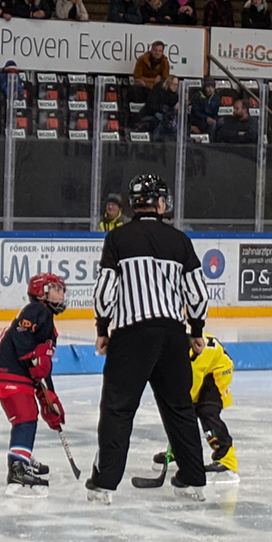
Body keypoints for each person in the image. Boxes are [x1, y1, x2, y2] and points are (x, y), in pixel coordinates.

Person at [87, 174, 210, 504]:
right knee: (180, 408)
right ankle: (193, 479)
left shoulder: (118, 238)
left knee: (117, 408)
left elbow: (104, 291)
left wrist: (103, 329)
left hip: (132, 334)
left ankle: (105, 483)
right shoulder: (180, 241)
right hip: (172, 336)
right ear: (160, 203)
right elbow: (198, 293)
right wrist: (196, 330)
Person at [0, 272, 67, 496]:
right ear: (41, 292)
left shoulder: (43, 319)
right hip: (10, 373)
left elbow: (39, 370)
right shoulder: (37, 310)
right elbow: (22, 339)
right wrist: (34, 357)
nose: (61, 294)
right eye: (55, 289)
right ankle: (18, 467)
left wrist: (49, 399)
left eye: (62, 290)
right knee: (26, 417)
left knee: (27, 416)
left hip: (9, 373)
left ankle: (23, 457)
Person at [151, 332, 239, 477]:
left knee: (206, 411)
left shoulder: (189, 356)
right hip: (203, 366)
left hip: (218, 369)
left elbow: (188, 395)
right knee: (180, 410)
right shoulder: (171, 350)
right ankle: (181, 450)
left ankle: (227, 459)